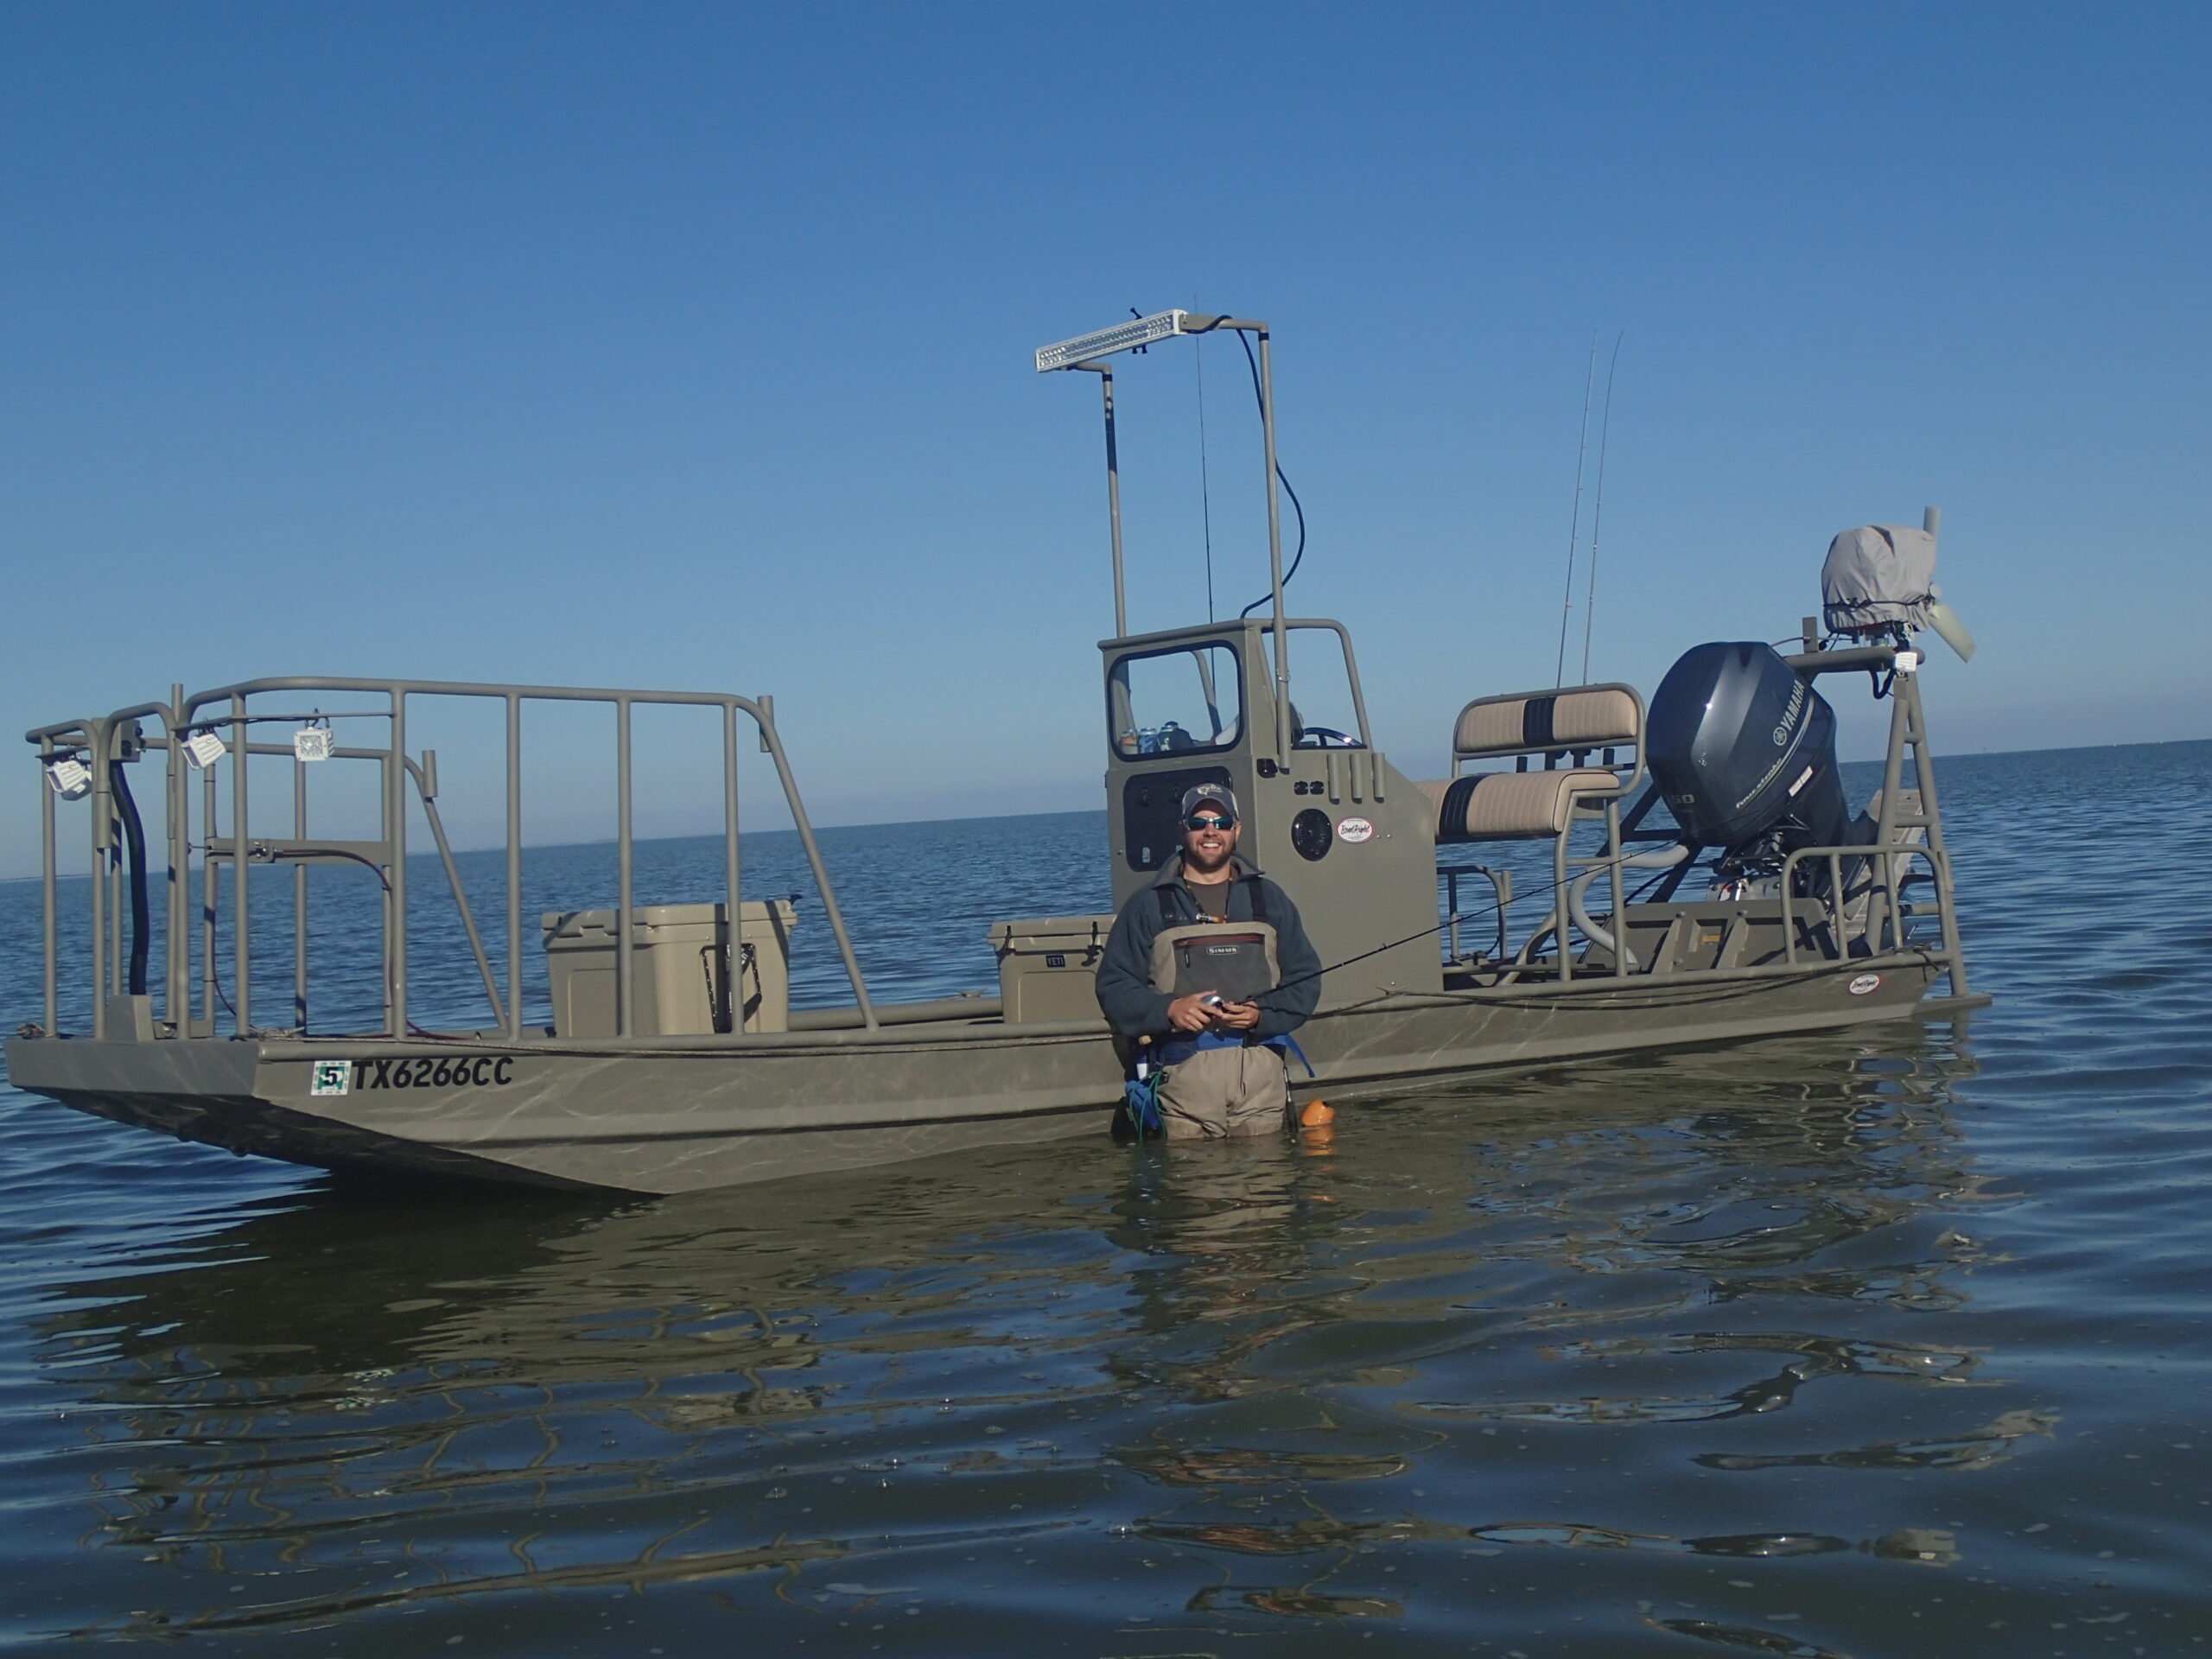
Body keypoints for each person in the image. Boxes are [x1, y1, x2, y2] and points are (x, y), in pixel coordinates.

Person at [1094, 784, 1322, 1138]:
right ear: (1183, 829)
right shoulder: (1146, 905)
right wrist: (1169, 1010)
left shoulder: (1270, 899)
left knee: (1268, 1174)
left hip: (1261, 1086)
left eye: (1222, 822)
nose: (1211, 832)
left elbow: (1305, 978)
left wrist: (1263, 1014)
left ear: (1237, 830)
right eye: (1199, 822)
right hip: (1182, 1088)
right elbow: (1113, 985)